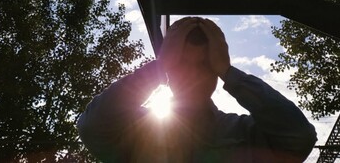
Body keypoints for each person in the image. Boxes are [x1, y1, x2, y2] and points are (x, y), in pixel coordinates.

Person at [77, 17, 317, 162]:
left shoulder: (245, 134)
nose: (192, 75)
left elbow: (299, 138)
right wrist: (158, 67)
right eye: (181, 63)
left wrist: (230, 73)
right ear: (168, 70)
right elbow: (92, 126)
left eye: (204, 65)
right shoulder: (139, 132)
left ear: (217, 69)